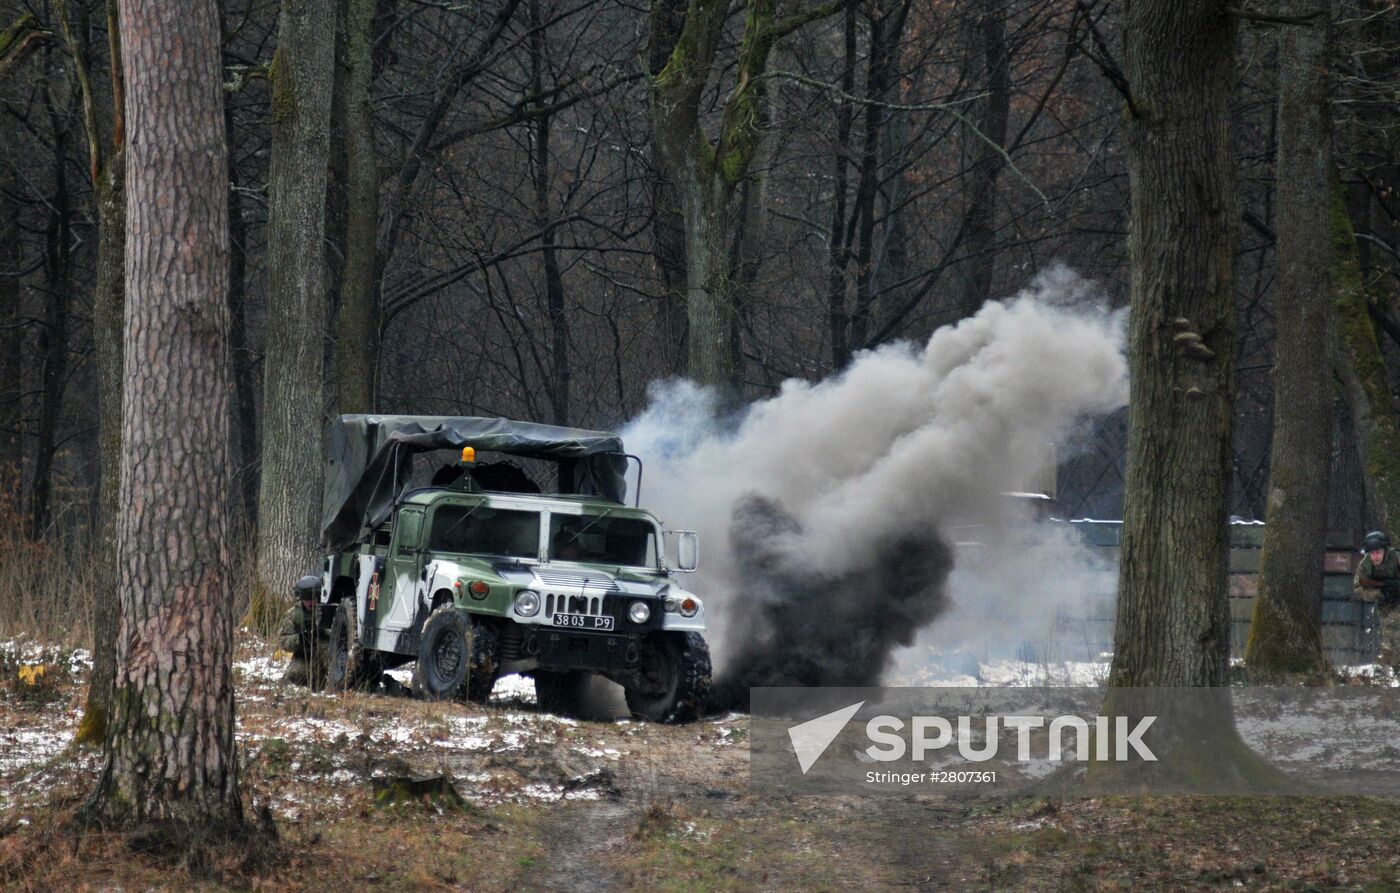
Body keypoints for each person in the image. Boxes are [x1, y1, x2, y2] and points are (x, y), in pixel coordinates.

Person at [1354, 530, 1400, 665]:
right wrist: (1379, 594)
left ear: (1385, 550)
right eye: (1372, 553)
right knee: (1388, 634)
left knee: (1395, 630)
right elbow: (1358, 588)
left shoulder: (1396, 558)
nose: (1375, 556)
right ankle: (1390, 666)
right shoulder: (1365, 565)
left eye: (1378, 552)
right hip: (1384, 604)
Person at [278, 577, 328, 688]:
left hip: (329, 655)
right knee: (294, 674)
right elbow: (283, 640)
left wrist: (324, 633)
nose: (310, 603)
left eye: (312, 599)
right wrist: (300, 639)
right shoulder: (293, 614)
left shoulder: (329, 611)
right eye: (306, 599)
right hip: (305, 658)